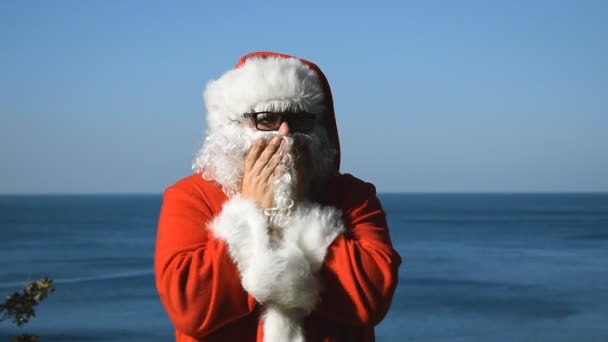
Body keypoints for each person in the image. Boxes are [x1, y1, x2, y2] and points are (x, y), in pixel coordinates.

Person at [154, 51, 402, 342]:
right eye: (267, 119)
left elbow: (371, 297)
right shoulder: (189, 197)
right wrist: (250, 212)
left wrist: (299, 213)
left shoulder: (354, 197)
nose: (286, 133)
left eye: (300, 120)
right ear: (233, 126)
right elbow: (190, 308)